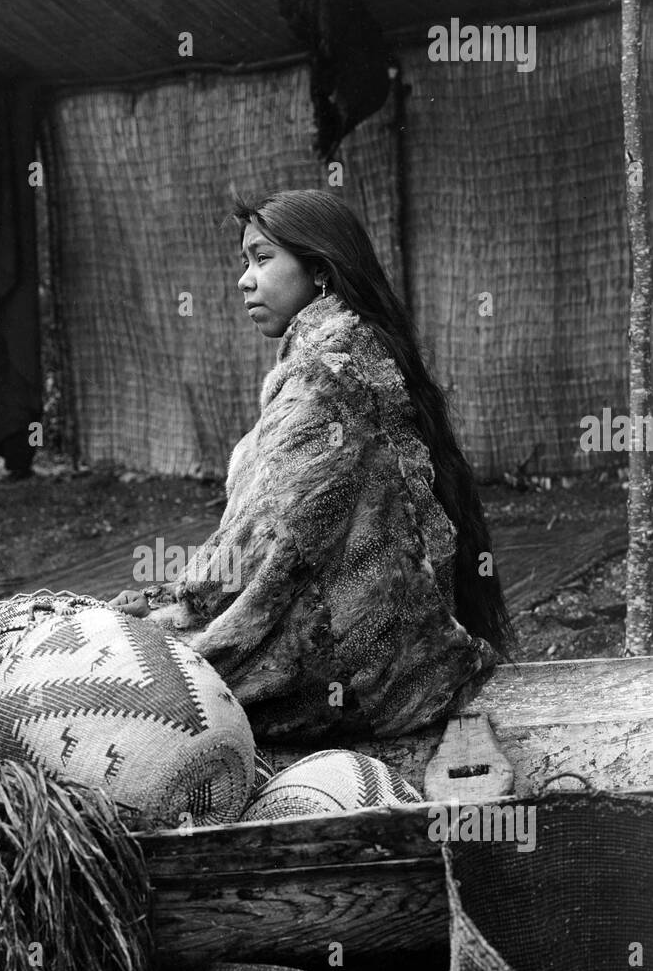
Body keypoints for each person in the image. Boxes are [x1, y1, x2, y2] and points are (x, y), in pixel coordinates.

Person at [109, 189, 515, 743]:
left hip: (360, 674)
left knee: (125, 682)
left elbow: (265, 537)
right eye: (244, 262)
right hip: (397, 662)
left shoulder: (327, 373)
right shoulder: (354, 348)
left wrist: (172, 605)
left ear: (320, 270)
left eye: (262, 258)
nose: (244, 280)